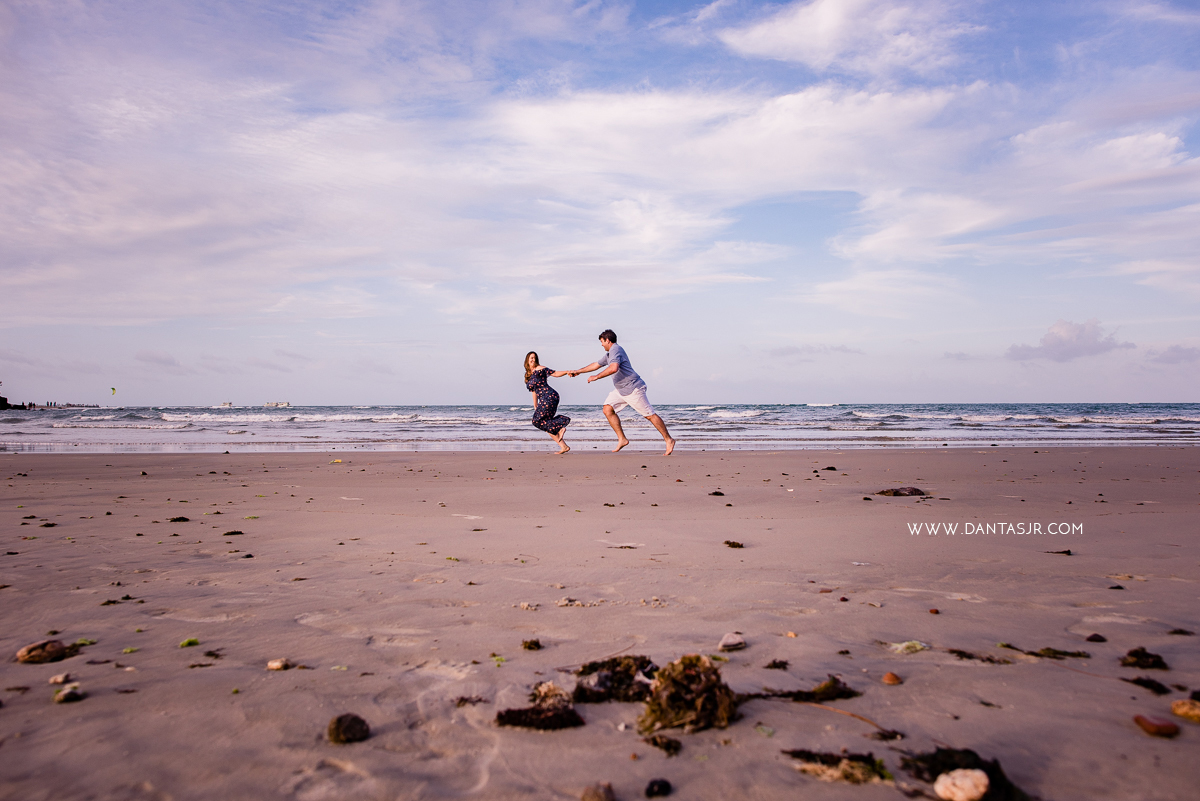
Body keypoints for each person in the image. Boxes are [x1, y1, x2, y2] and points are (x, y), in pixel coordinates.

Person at [570, 330, 675, 455]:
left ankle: (669, 440)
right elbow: (596, 364)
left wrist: (596, 377)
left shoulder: (616, 350)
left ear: (607, 340)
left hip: (633, 388)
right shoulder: (610, 354)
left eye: (602, 342)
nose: (601, 345)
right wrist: (578, 371)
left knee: (649, 415)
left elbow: (614, 368)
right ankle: (622, 439)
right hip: (621, 390)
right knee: (607, 409)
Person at [524, 351, 572, 454]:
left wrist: (566, 371)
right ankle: (564, 446)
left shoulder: (541, 369)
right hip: (544, 399)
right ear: (527, 360)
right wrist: (535, 405)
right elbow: (534, 391)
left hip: (550, 396)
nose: (533, 359)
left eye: (534, 358)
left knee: (536, 421)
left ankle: (560, 426)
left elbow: (555, 373)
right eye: (531, 358)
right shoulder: (529, 375)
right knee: (545, 423)